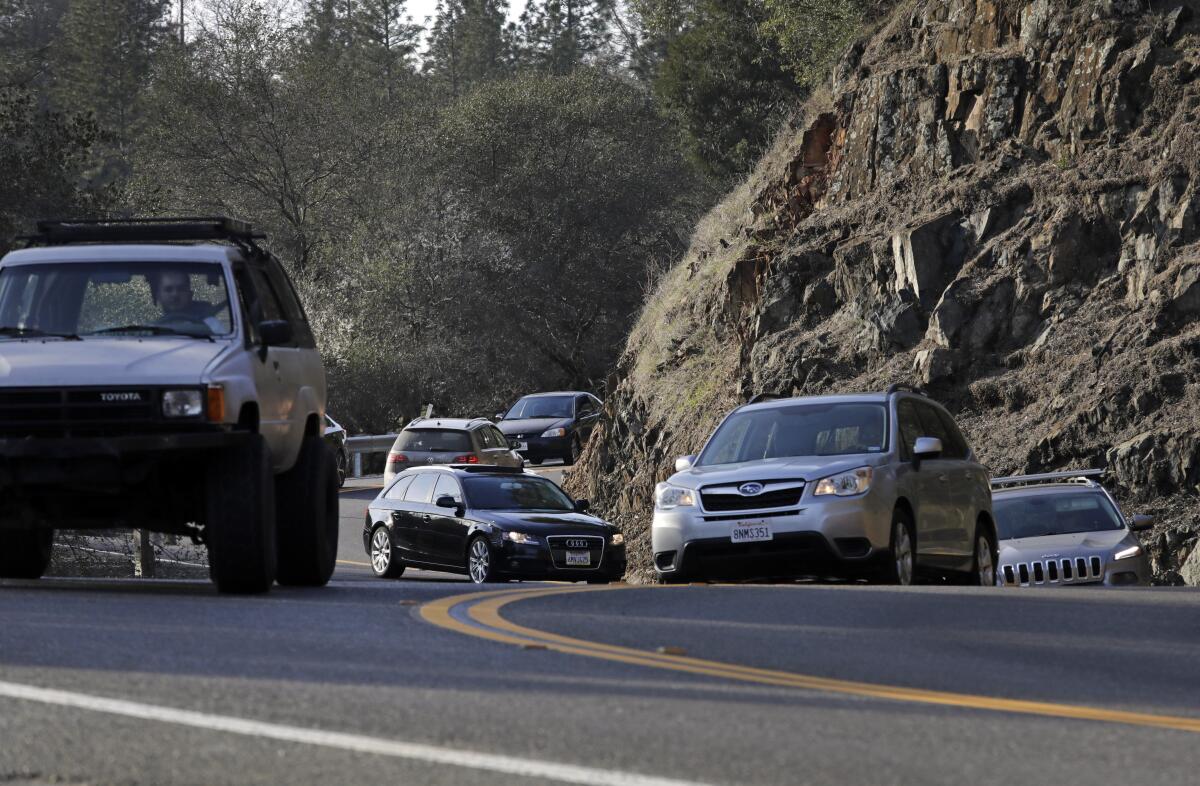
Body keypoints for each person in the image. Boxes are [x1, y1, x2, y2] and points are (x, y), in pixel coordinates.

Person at [151, 271, 224, 334]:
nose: (175, 294)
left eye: (181, 289)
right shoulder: (148, 329)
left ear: (190, 294)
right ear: (158, 296)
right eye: (168, 290)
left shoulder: (211, 324)